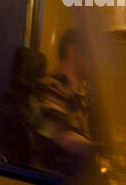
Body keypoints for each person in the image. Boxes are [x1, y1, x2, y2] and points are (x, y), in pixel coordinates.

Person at [32, 27, 91, 173]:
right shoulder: (49, 87)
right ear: (75, 51)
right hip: (51, 178)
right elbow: (62, 138)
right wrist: (100, 150)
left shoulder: (82, 94)